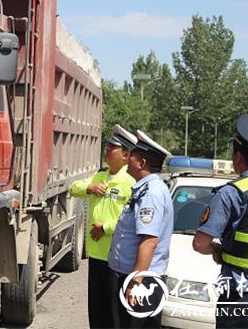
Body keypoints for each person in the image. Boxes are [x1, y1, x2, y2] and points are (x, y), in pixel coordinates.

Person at [193, 114, 248, 329]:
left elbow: (200, 243)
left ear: (237, 156)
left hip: (242, 296)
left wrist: (218, 250)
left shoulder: (233, 194)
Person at [69, 124, 138, 329]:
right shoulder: (100, 175)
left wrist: (105, 228)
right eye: (107, 147)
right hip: (96, 255)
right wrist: (89, 188)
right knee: (96, 312)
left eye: (112, 148)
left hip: (116, 258)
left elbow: (131, 218)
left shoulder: (130, 181)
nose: (107, 151)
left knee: (113, 314)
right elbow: (73, 188)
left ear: (126, 154)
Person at [108, 130, 173, 329]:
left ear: (141, 163)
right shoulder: (145, 189)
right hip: (136, 277)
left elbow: (149, 241)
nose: (127, 159)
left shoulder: (151, 194)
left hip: (141, 281)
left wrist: (136, 282)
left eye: (132, 156)